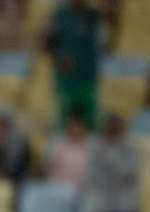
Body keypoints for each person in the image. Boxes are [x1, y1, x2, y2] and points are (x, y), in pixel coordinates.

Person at [45, 0, 102, 130]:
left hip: (88, 78)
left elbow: (111, 13)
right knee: (65, 124)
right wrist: (59, 59)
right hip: (66, 80)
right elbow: (47, 44)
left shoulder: (92, 14)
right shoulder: (58, 16)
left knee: (91, 124)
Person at [86, 112, 141, 212]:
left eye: (115, 128)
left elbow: (127, 173)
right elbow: (94, 176)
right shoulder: (95, 147)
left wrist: (111, 152)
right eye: (108, 128)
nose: (111, 131)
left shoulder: (130, 148)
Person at [47, 112, 91, 188]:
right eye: (72, 127)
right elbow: (50, 169)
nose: (75, 130)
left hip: (83, 189)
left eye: (78, 127)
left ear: (83, 129)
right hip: (60, 188)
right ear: (67, 129)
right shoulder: (58, 146)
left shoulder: (91, 148)